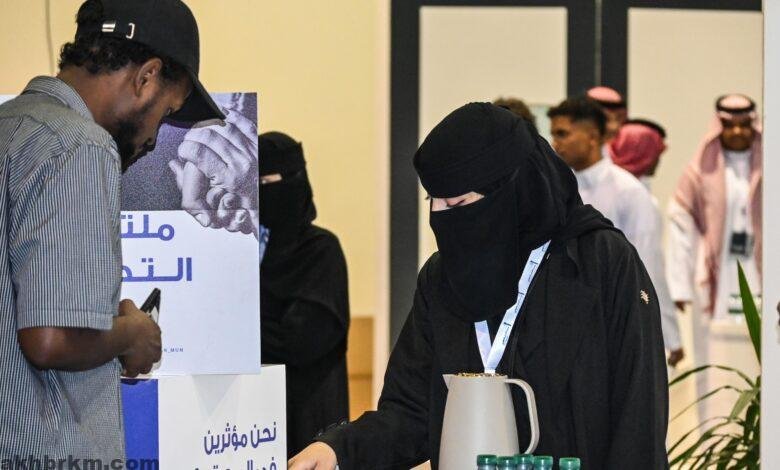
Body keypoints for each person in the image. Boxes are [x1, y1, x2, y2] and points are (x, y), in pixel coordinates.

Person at [290, 103, 668, 469]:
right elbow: (411, 411)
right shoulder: (442, 278)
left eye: (457, 204)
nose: (440, 218)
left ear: (510, 192)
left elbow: (638, 417)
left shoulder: (600, 264)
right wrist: (338, 448)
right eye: (433, 201)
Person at [0, 0, 222, 463]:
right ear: (146, 77)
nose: (154, 139)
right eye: (166, 112)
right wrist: (132, 335)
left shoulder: (13, 129)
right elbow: (49, 339)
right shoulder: (81, 146)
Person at [547, 98, 683, 366]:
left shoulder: (629, 192)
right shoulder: (553, 189)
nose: (555, 143)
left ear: (592, 136)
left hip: (612, 321)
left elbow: (648, 266)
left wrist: (668, 336)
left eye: (562, 134)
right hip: (560, 321)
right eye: (553, 134)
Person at [666, 94, 762, 413]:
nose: (737, 132)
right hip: (715, 282)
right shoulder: (698, 172)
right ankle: (716, 424)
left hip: (761, 276)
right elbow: (680, 223)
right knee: (713, 357)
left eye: (744, 125)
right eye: (729, 125)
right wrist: (680, 285)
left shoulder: (770, 168)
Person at [259, 132, 350, 457]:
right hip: (250, 415)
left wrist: (236, 329)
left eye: (268, 182)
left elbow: (302, 340)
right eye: (255, 185)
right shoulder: (245, 252)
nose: (262, 193)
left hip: (310, 417)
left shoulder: (320, 251)